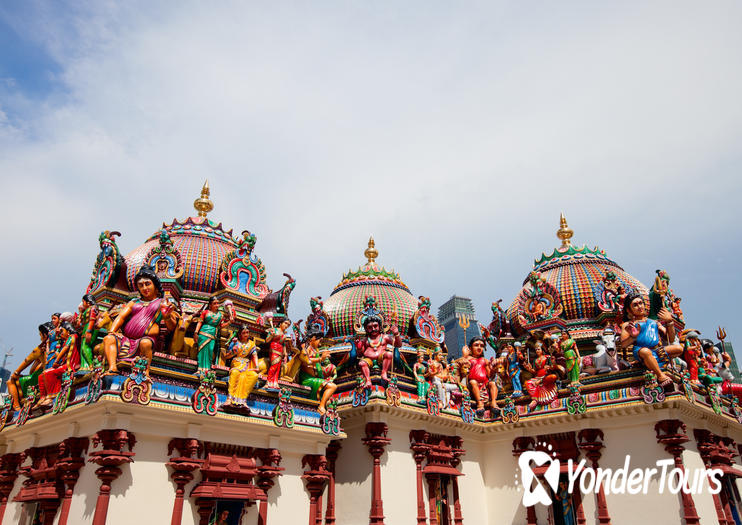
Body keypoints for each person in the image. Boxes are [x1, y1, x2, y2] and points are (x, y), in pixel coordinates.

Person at [102, 266, 177, 377]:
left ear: (155, 285)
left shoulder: (162, 302)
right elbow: (121, 317)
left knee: (145, 343)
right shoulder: (134, 302)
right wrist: (112, 331)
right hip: (127, 339)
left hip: (146, 340)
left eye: (147, 284)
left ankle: (145, 373)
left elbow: (172, 327)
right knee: (108, 339)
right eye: (140, 285)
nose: (144, 288)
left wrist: (166, 317)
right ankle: (113, 368)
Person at [619, 292, 683, 387]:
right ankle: (660, 375)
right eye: (635, 305)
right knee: (646, 352)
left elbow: (671, 338)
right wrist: (633, 337)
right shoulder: (628, 325)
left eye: (641, 303)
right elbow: (623, 345)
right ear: (629, 310)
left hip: (657, 350)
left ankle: (652, 361)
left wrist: (669, 321)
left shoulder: (654, 322)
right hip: (641, 351)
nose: (639, 306)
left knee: (679, 348)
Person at [7, 324, 51, 410]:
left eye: (40, 335)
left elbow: (27, 361)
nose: (40, 337)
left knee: (11, 381)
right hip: (45, 372)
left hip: (41, 376)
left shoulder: (40, 348)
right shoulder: (55, 343)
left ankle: (16, 406)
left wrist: (16, 373)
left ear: (44, 335)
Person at [38, 321, 80, 406]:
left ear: (68, 331)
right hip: (64, 364)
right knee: (41, 376)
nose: (61, 334)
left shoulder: (72, 337)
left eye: (62, 331)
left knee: (49, 373)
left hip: (71, 365)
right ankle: (43, 397)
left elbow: (65, 349)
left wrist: (56, 361)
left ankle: (52, 397)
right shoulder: (65, 340)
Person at [354, 315, 402, 388]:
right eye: (370, 327)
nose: (373, 329)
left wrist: (396, 334)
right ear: (366, 329)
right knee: (362, 363)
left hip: (381, 359)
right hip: (369, 360)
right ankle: (368, 380)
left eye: (375, 326)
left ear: (380, 326)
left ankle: (384, 373)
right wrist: (359, 347)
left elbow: (398, 345)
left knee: (389, 354)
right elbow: (360, 355)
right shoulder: (365, 340)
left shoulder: (384, 337)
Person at [222, 325, 259, 408]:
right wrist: (233, 351)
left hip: (247, 365)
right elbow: (227, 356)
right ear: (240, 334)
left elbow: (254, 355)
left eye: (247, 332)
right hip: (236, 363)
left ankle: (243, 399)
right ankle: (229, 398)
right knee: (235, 373)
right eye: (244, 333)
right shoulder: (236, 343)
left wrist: (256, 367)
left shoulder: (251, 344)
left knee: (254, 376)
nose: (246, 334)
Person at [194, 296, 232, 372]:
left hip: (212, 334)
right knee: (201, 350)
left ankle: (207, 369)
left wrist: (229, 322)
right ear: (210, 305)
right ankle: (200, 368)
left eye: (218, 303)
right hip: (203, 333)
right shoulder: (205, 312)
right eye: (214, 303)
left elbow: (220, 326)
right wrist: (195, 332)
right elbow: (200, 322)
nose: (217, 305)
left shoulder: (220, 315)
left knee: (210, 350)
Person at [467, 336, 499, 415]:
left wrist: (494, 369)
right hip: (472, 385)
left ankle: (494, 402)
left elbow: (490, 375)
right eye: (476, 345)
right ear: (470, 348)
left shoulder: (485, 360)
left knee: (492, 383)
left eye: (481, 346)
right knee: (473, 382)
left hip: (484, 385)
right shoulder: (467, 359)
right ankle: (479, 403)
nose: (479, 348)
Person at [264, 318, 292, 389]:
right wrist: (271, 335)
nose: (286, 325)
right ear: (280, 323)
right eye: (285, 323)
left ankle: (275, 383)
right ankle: (268, 381)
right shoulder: (274, 330)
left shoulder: (284, 334)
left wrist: (285, 353)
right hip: (274, 349)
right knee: (274, 366)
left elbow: (283, 344)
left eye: (288, 325)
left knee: (278, 368)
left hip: (281, 351)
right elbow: (267, 340)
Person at [79, 294, 100, 370]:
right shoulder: (87, 309)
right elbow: (82, 323)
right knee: (82, 347)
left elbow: (92, 320)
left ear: (88, 302)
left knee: (85, 346)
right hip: (86, 327)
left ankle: (90, 365)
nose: (82, 304)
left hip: (90, 328)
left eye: (83, 302)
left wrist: (88, 331)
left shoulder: (93, 308)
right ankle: (84, 366)